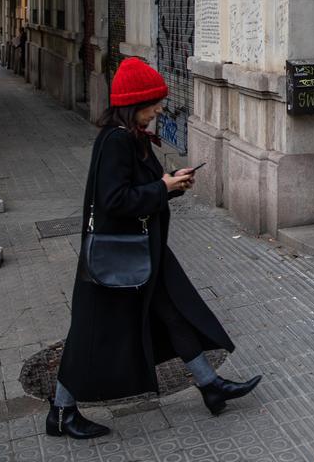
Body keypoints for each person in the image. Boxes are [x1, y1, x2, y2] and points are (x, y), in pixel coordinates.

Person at [48, 57, 261, 439]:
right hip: (116, 259)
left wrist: (169, 184)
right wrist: (163, 187)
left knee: (176, 314)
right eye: (154, 102)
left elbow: (137, 194)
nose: (161, 108)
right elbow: (114, 200)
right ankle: (62, 412)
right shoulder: (115, 141)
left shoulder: (129, 137)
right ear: (134, 105)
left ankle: (210, 386)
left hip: (143, 251)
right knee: (89, 334)